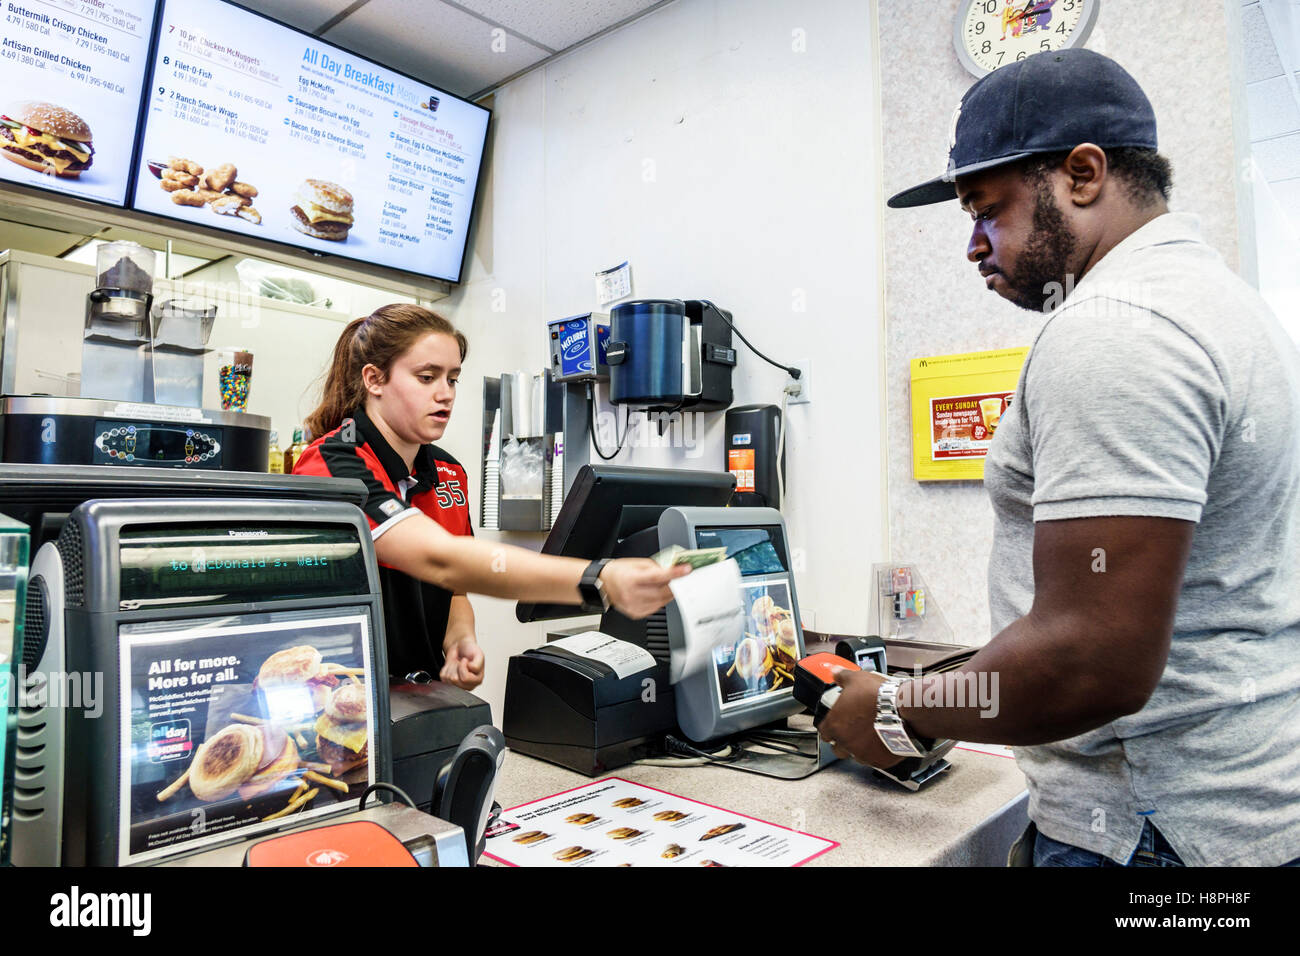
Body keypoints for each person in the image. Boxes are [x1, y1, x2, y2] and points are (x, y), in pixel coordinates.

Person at [818, 50, 1300, 867]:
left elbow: (1091, 658)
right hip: (1232, 812)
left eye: (986, 210)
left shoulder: (1113, 333)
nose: (973, 244)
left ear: (1082, 175)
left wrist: (899, 710)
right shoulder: (1225, 305)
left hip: (1152, 831)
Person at [293, 303, 688, 691]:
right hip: (344, 698)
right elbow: (442, 559)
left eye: (452, 379)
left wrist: (459, 639)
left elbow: (456, 585)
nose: (444, 394)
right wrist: (597, 579)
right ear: (374, 380)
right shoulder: (331, 463)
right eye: (427, 377)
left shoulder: (448, 472)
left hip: (421, 696)